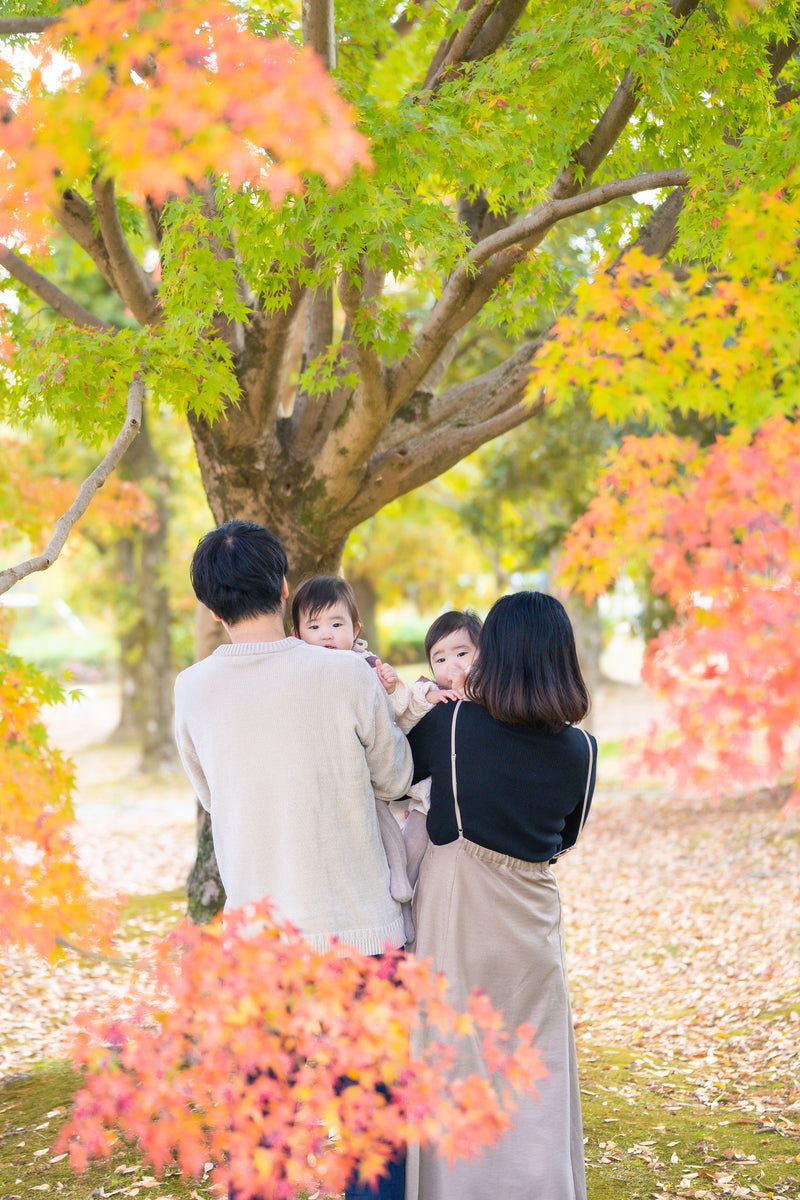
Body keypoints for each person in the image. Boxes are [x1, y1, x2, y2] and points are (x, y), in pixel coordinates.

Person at [405, 591, 597, 1200]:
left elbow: (394, 777)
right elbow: (563, 838)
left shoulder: (453, 725)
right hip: (532, 926)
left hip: (459, 918)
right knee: (534, 1077)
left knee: (455, 1063)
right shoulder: (583, 751)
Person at [290, 576, 459, 940]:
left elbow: (396, 717)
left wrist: (391, 689)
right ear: (296, 632)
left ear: (356, 628)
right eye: (314, 626)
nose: (326, 635)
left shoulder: (365, 667)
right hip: (328, 779)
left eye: (337, 625)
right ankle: (400, 896)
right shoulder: (297, 671)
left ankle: (401, 890)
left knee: (387, 835)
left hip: (368, 775)